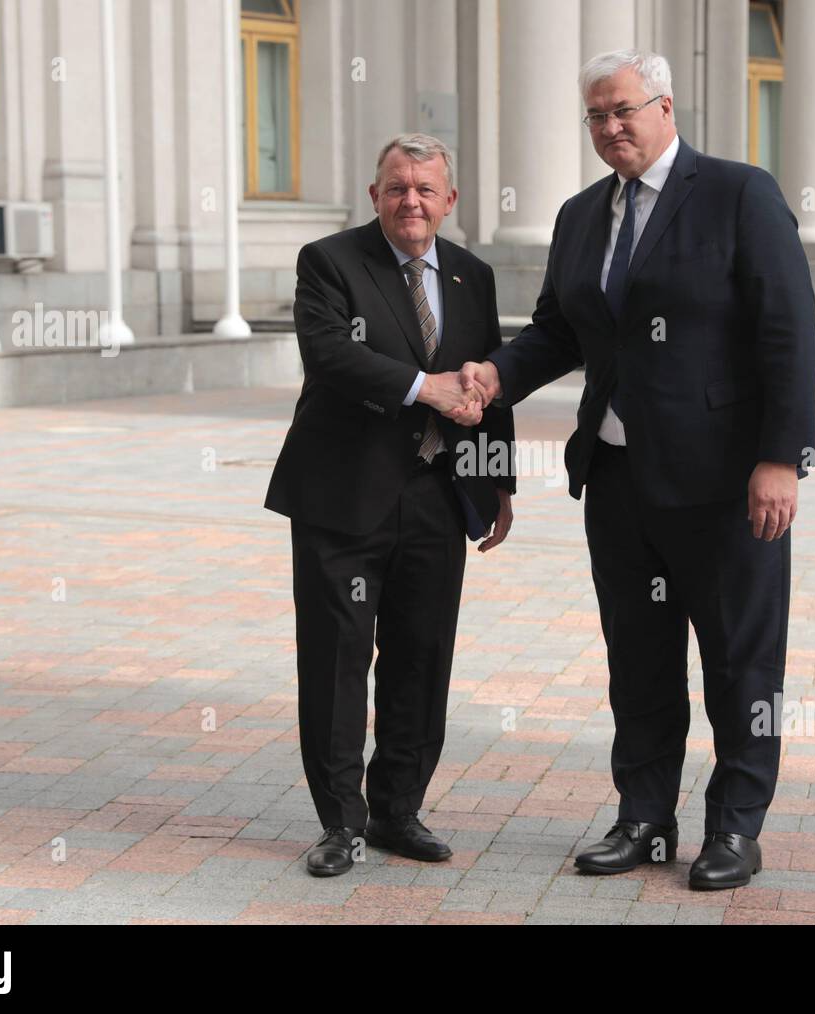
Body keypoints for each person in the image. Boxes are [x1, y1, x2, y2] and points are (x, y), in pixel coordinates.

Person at [459, 50, 815, 890]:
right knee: (640, 662)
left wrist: (782, 459)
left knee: (740, 663)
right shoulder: (583, 214)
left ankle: (735, 828)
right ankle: (645, 818)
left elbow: (788, 332)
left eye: (622, 109)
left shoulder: (738, 194)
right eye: (594, 116)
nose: (609, 127)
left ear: (664, 105)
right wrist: (495, 375)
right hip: (618, 481)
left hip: (726, 485)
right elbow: (556, 329)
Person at [265, 133, 515, 877]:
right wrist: (422, 386)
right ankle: (340, 824)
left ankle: (397, 811)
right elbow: (331, 355)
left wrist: (496, 480)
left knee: (422, 659)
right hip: (343, 499)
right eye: (397, 187)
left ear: (450, 201)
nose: (411, 201)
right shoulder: (330, 261)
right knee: (339, 661)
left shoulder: (472, 275)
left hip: (438, 496)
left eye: (425, 190)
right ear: (375, 195)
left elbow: (489, 380)